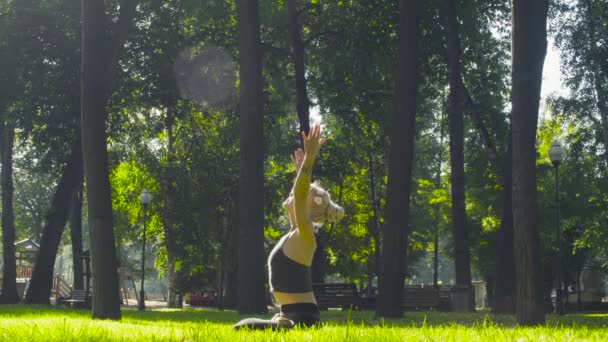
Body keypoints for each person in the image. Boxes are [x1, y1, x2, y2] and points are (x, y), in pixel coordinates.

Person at [233, 124, 344, 330]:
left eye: (298, 194)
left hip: (303, 318)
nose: (292, 193)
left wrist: (310, 158)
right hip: (289, 314)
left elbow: (300, 194)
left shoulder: (306, 235)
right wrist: (301, 171)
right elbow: (301, 194)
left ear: (308, 208)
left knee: (242, 327)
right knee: (243, 326)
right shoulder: (296, 231)